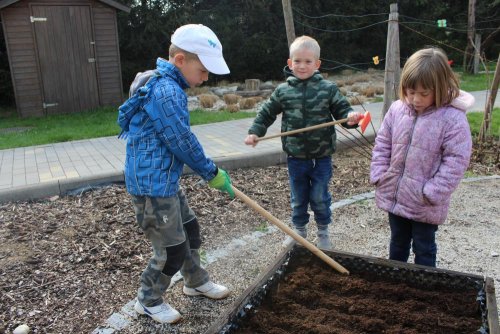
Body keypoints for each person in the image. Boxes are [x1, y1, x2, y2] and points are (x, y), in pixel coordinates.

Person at [117, 24, 235, 324]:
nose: (207, 77)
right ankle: (148, 299)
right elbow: (181, 140)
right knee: (171, 250)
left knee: (190, 230)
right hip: (151, 188)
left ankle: (194, 281)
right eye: (204, 70)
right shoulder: (166, 91)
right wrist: (212, 172)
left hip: (164, 182)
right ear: (180, 60)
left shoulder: (165, 83)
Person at [244, 36, 363, 249]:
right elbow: (266, 113)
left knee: (319, 196)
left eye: (308, 62)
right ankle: (299, 232)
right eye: (297, 61)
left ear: (317, 64)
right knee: (298, 198)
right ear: (290, 63)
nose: (302, 66)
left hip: (321, 157)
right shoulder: (283, 91)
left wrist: (352, 118)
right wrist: (255, 132)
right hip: (296, 157)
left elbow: (343, 112)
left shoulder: (328, 89)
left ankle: (323, 231)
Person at [370, 47, 474, 267]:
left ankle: (425, 292)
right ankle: (394, 283)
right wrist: (379, 174)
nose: (415, 99)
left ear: (440, 87)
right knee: (397, 242)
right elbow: (383, 143)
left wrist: (432, 192)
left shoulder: (453, 119)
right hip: (396, 195)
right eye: (410, 91)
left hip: (424, 202)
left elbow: (456, 161)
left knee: (424, 247)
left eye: (424, 93)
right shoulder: (397, 109)